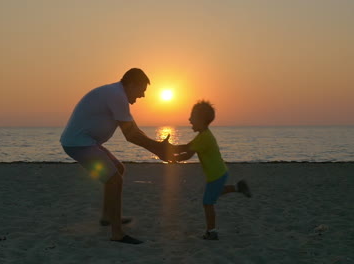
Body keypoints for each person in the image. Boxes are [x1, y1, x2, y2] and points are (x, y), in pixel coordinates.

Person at [60, 68, 174, 244]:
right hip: (79, 143)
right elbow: (131, 136)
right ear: (131, 84)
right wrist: (159, 150)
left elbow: (134, 130)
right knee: (114, 180)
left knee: (118, 170)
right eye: (142, 89)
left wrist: (158, 149)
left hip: (85, 141)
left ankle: (107, 217)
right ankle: (117, 233)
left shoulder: (116, 94)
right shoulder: (117, 95)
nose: (143, 95)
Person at [169, 100, 252, 240]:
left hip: (216, 176)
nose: (189, 120)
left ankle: (211, 232)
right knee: (217, 192)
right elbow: (188, 154)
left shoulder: (204, 138)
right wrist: (175, 158)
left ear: (201, 120)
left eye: (192, 117)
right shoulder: (203, 136)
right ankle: (238, 187)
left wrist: (168, 150)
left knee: (208, 203)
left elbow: (186, 149)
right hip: (220, 172)